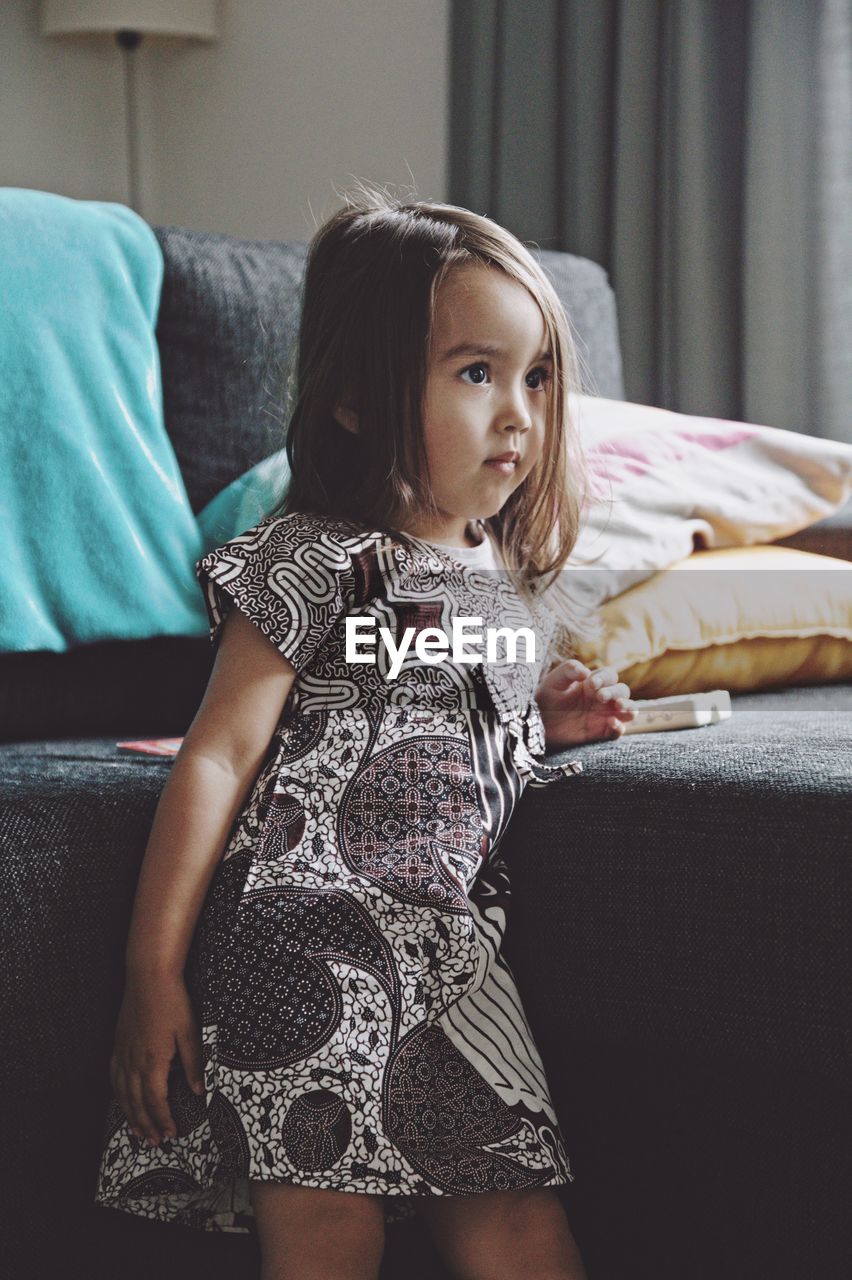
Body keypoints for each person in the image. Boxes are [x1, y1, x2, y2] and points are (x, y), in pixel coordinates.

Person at [94, 185, 637, 1280]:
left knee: (528, 1234)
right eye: (475, 372)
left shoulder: (505, 587)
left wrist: (542, 717)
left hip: (452, 964)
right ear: (353, 399)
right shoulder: (317, 554)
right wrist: (151, 971)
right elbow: (217, 753)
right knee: (326, 1234)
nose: (518, 411)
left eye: (535, 375)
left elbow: (459, 724)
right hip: (306, 948)